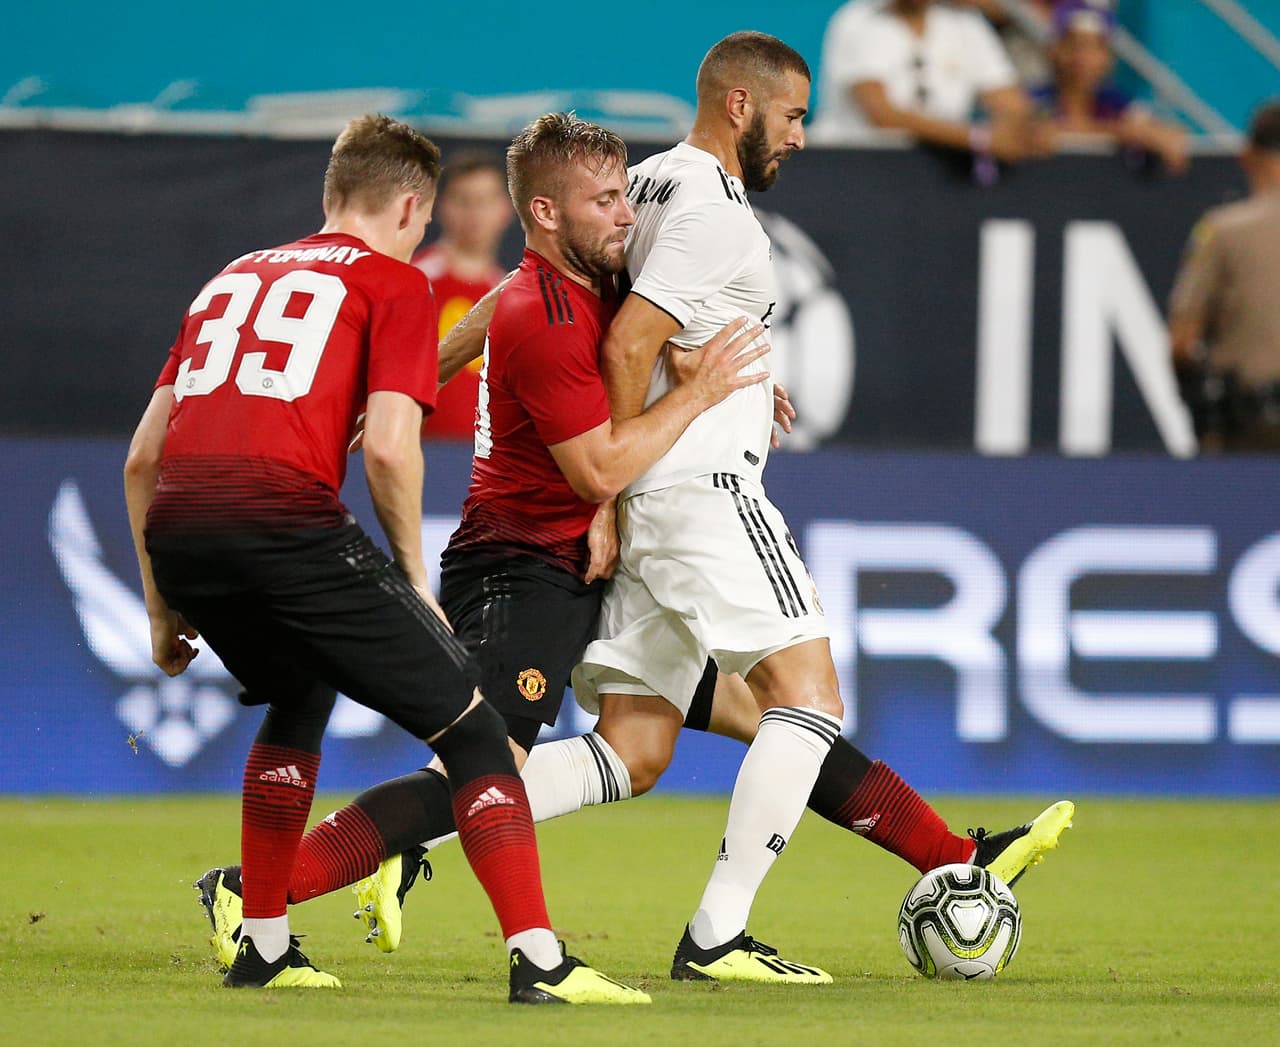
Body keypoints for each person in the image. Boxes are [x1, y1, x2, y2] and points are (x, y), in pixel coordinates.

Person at [198, 60, 1074, 983]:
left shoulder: (647, 191)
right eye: (791, 115)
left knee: (639, 746)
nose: (802, 134)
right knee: (800, 700)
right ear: (742, 106)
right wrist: (623, 478)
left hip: (625, 512)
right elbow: (623, 343)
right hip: (672, 502)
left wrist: (427, 380)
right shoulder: (709, 211)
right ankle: (713, 935)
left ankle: (947, 854)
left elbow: (555, 307)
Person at [190, 109, 769, 970]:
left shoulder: (606, 264)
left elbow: (523, 328)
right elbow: (584, 442)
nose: (625, 213)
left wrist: (754, 394)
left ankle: (930, 857)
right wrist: (697, 395)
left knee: (766, 713)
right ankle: (261, 890)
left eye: (624, 195)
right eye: (607, 198)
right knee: (482, 760)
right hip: (519, 562)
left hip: (587, 561)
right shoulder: (542, 294)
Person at [124, 113, 649, 1004]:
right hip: (285, 520)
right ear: (413, 206)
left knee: (299, 692)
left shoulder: (230, 276)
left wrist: (160, 605)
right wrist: (410, 575)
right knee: (480, 731)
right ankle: (540, 961)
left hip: (182, 524)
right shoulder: (395, 283)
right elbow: (392, 448)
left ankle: (263, 942)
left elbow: (144, 456)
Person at [814, 0, 1053, 168]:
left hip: (938, 174)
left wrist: (1022, 129)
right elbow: (882, 115)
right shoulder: (857, 19)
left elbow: (1012, 103)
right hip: (851, 170)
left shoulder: (966, 24)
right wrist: (978, 138)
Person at [1169, 99, 1280, 452]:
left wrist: (1201, 412)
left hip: (1253, 427)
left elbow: (1182, 342)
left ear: (1248, 155)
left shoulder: (1225, 230)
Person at [412, 152, 514, 439]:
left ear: (505, 210)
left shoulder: (512, 295)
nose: (475, 214)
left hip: (485, 465)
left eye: (485, 202)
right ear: (442, 207)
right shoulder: (414, 282)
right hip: (420, 454)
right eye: (464, 201)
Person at [1031, 0, 1188, 175]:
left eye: (1095, 47)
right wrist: (1121, 132)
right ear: (1053, 50)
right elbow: (1034, 132)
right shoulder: (1034, 100)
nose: (1083, 59)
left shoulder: (1116, 102)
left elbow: (1166, 133)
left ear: (1108, 57)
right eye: (1073, 45)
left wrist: (1149, 133)